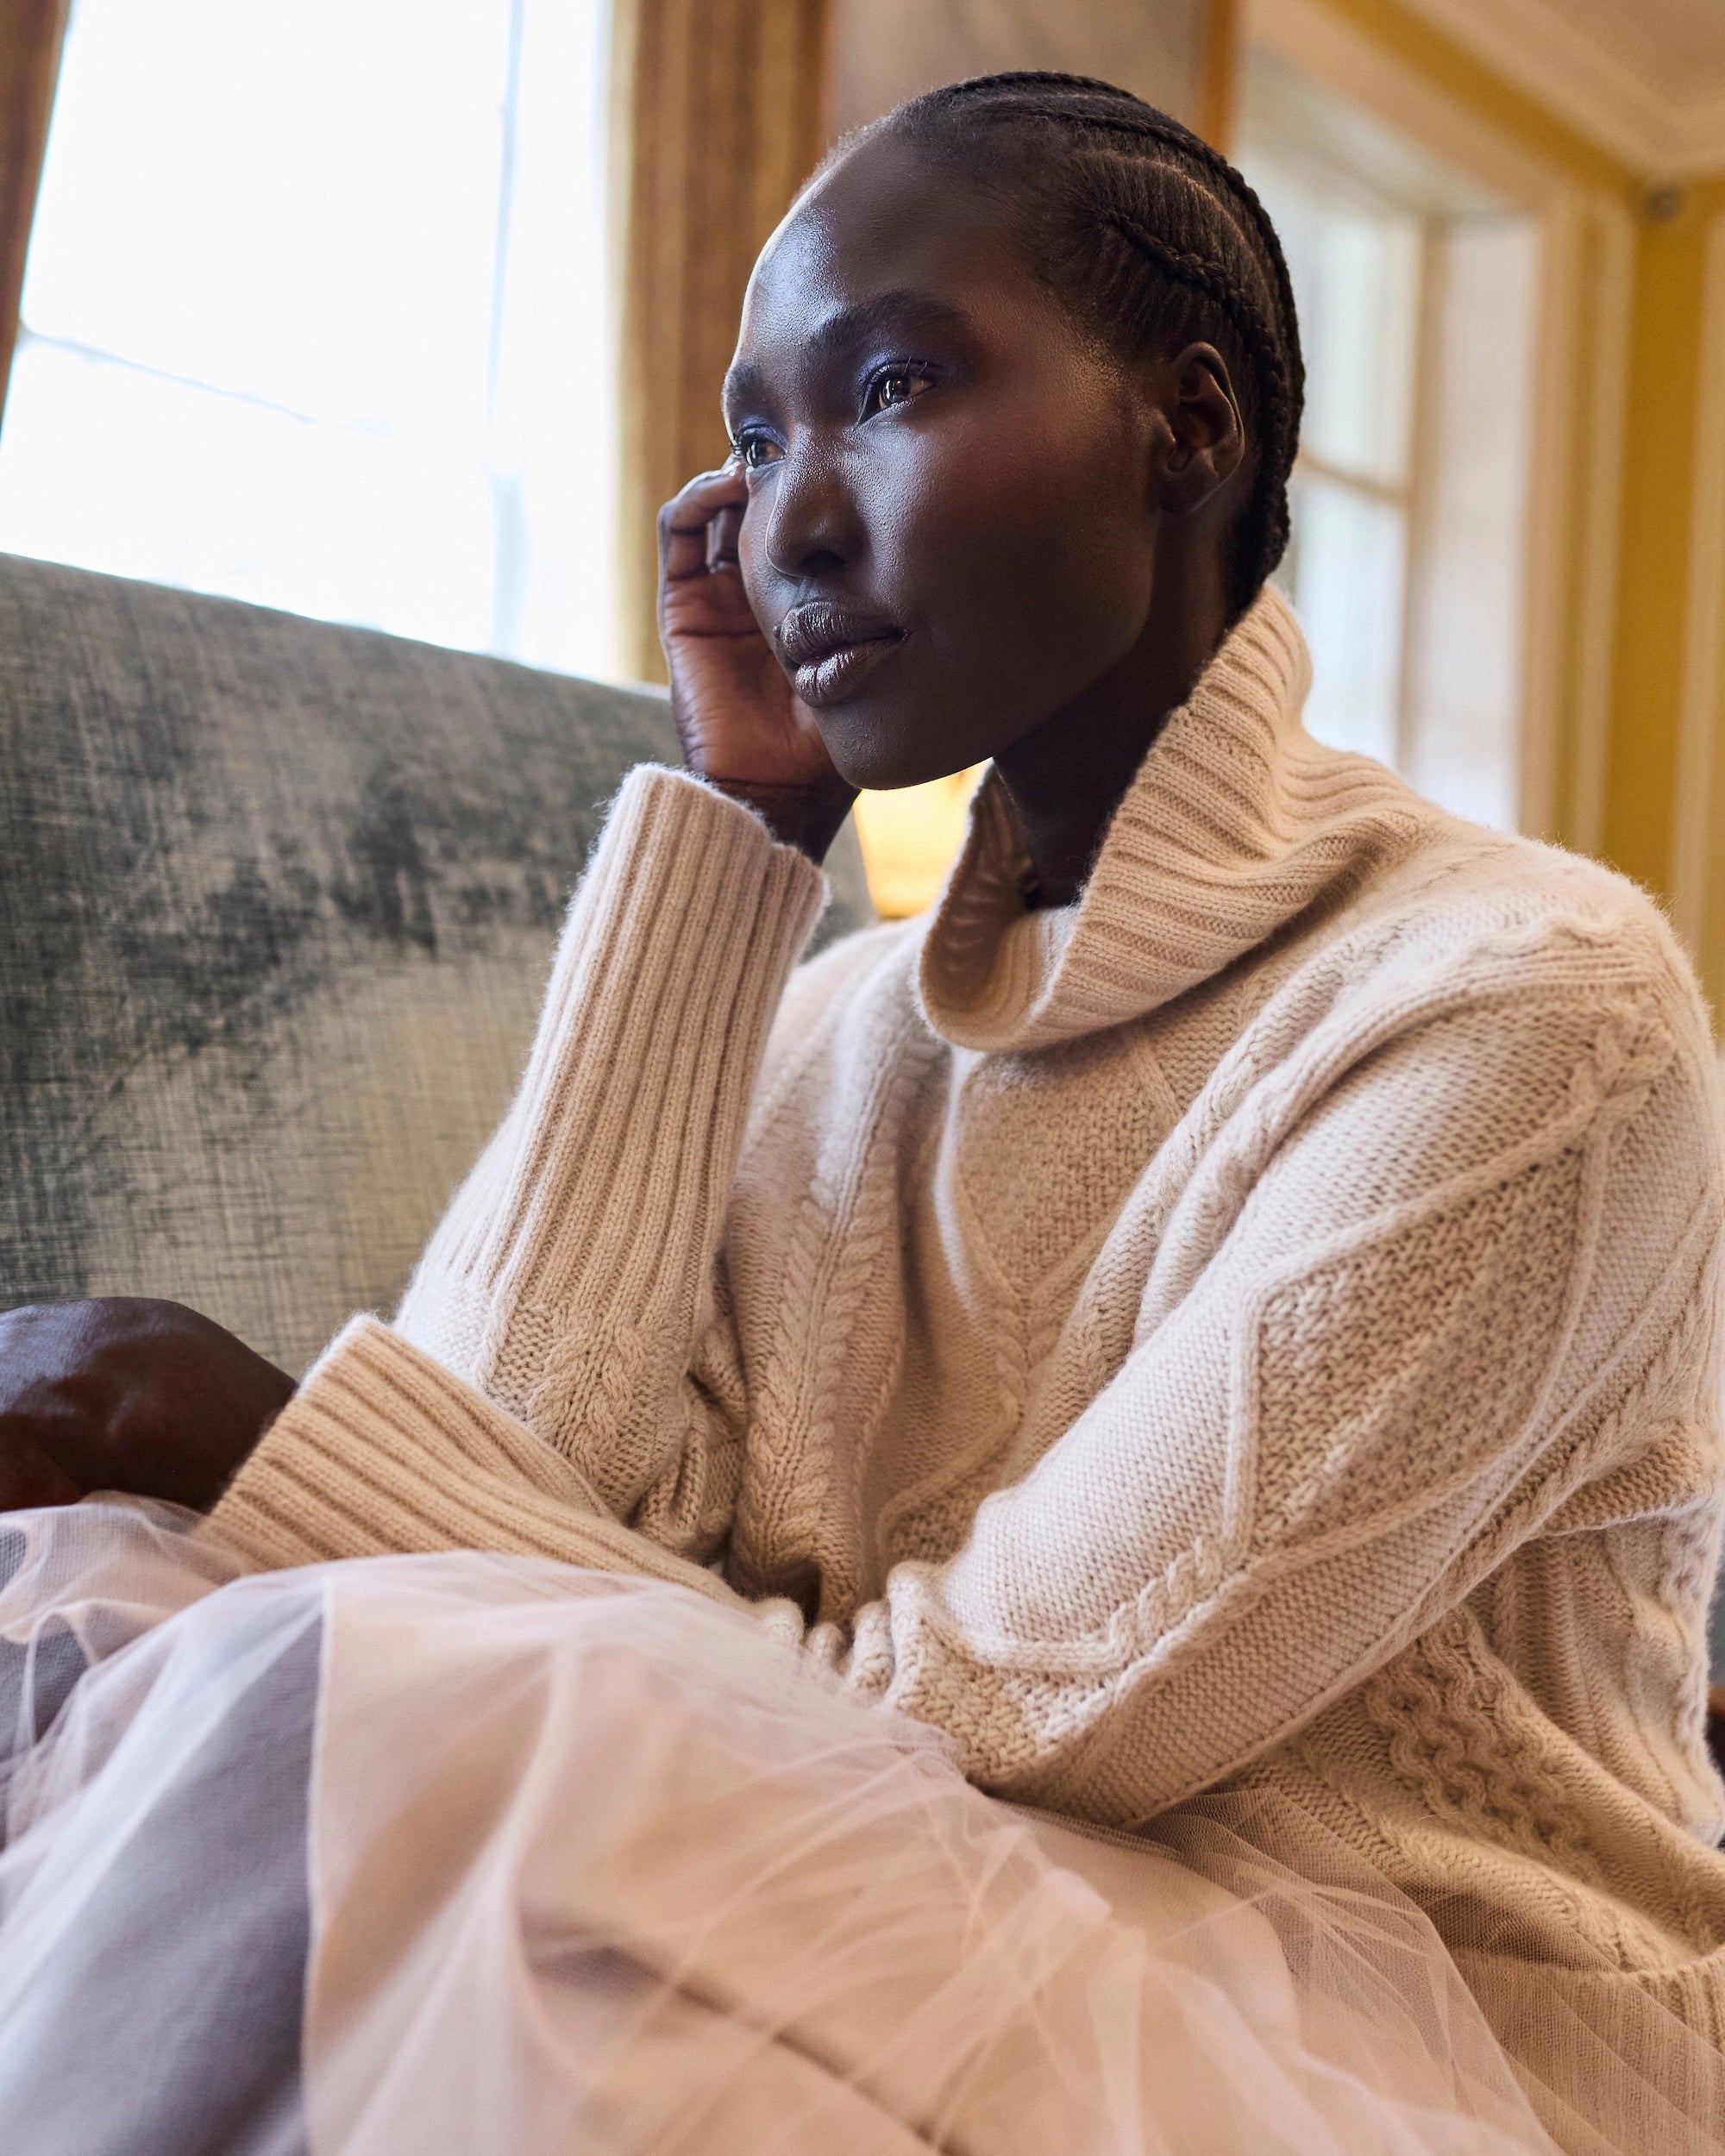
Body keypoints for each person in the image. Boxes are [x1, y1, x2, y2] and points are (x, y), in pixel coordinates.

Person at [2, 71, 1722, 2155]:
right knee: (199, 1635)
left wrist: (276, 1443)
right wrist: (734, 842)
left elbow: (1001, 1719)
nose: (785, 517)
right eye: (748, 436)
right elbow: (484, 1513)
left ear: (1190, 428)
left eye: (889, 386)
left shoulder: (1526, 1009)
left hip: (1429, 2044)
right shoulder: (834, 1030)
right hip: (885, 1895)